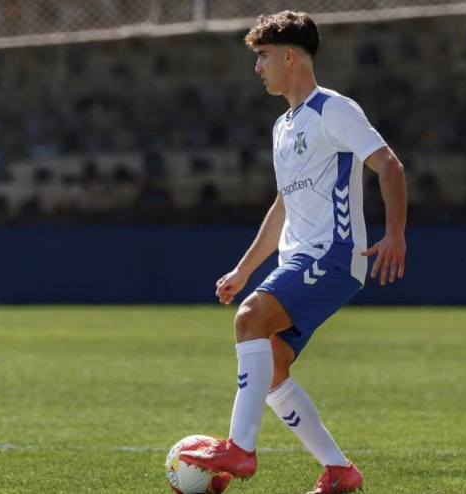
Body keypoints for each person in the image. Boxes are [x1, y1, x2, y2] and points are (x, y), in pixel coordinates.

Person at [181, 11, 407, 494]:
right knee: (271, 367)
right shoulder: (284, 127)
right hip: (300, 258)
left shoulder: (334, 109)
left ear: (289, 56)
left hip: (334, 252)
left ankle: (240, 450)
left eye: (262, 57)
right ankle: (339, 471)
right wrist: (244, 269)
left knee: (249, 319)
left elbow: (389, 164)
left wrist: (394, 234)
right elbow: (283, 204)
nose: (257, 68)